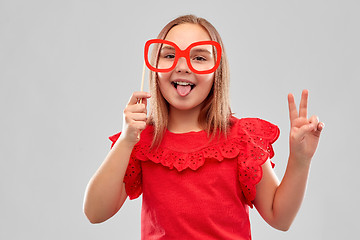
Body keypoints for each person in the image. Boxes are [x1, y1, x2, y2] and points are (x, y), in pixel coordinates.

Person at [83, 14, 324, 239]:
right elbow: (95, 212)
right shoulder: (140, 141)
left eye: (198, 57)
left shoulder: (241, 138)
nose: (183, 66)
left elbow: (279, 217)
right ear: (155, 69)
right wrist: (126, 140)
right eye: (169, 55)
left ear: (216, 71)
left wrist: (300, 160)